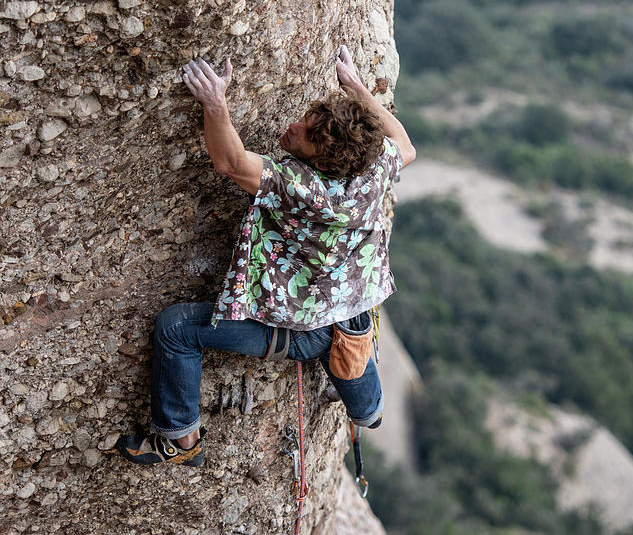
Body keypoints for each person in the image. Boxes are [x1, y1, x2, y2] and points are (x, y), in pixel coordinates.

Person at [116, 45, 416, 466]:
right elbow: (405, 145)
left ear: (322, 161)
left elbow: (232, 162)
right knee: (347, 337)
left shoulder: (301, 185)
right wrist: (357, 88)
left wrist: (215, 103)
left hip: (304, 326)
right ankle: (369, 409)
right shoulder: (375, 166)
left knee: (176, 328)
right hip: (350, 304)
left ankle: (180, 442)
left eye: (304, 133)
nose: (292, 127)